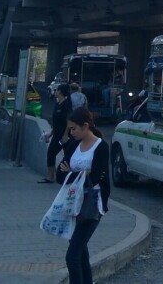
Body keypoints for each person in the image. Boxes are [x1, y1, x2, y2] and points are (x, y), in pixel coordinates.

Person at [57, 107, 109, 284]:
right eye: (70, 129)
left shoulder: (101, 147)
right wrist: (80, 173)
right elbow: (59, 175)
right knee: (80, 253)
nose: (71, 133)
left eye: (74, 129)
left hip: (91, 207)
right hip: (72, 206)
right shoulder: (73, 145)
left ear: (86, 126)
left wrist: (71, 172)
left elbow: (94, 178)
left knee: (72, 256)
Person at [40, 85, 71, 184]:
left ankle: (67, 176)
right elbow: (56, 122)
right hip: (57, 134)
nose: (55, 92)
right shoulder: (57, 104)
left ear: (60, 92)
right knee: (51, 153)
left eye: (56, 90)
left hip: (64, 135)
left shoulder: (66, 104)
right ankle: (50, 176)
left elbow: (68, 121)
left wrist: (66, 134)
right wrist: (50, 134)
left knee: (68, 155)